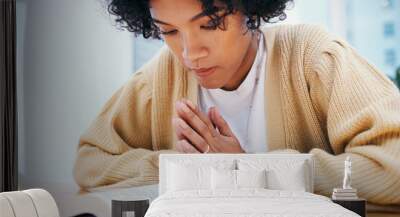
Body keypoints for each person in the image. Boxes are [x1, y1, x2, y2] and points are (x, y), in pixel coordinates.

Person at [73, 0, 400, 205]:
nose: (189, 52)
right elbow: (91, 162)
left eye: (210, 24)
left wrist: (251, 168)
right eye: (169, 31)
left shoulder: (312, 56)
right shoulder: (160, 77)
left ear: (250, 9)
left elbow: (392, 165)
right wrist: (189, 168)